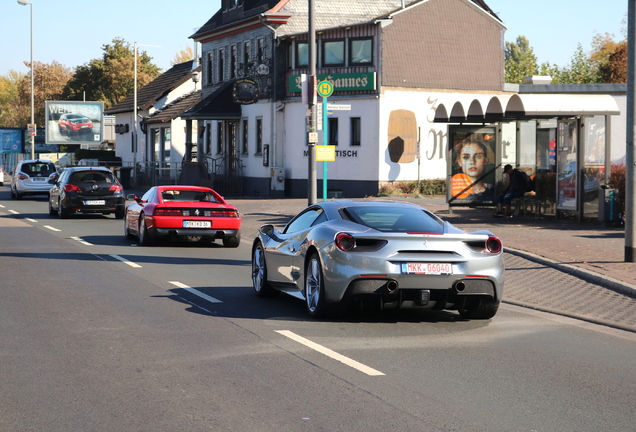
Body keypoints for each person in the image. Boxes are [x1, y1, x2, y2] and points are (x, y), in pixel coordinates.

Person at [451, 136, 494, 202]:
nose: (472, 162)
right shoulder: (455, 192)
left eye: (478, 156)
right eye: (466, 157)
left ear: (485, 160)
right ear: (460, 162)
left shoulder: (492, 190)